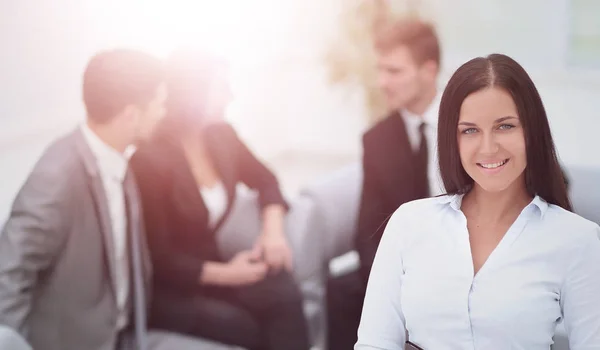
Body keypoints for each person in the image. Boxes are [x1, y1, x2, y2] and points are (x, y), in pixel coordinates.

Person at [356, 53, 600, 349]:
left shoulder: (578, 240)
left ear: (531, 131)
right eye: (470, 130)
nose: (488, 147)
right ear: (452, 139)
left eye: (505, 126)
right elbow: (375, 344)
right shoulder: (409, 223)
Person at [0, 49, 217, 350]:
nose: (163, 113)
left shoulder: (118, 162)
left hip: (127, 337)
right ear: (131, 114)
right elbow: (8, 272)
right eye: (159, 104)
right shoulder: (58, 174)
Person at [130, 50, 310, 350]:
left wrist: (273, 233)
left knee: (283, 291)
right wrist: (229, 275)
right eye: (222, 88)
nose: (231, 96)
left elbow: (266, 180)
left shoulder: (221, 136)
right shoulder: (149, 160)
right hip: (172, 290)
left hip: (215, 268)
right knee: (242, 327)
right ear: (193, 94)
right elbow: (159, 258)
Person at [327, 18, 443, 350]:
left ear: (428, 70)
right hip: (405, 268)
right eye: (380, 70)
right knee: (341, 289)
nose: (382, 82)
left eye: (394, 71)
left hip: (469, 260)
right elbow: (367, 229)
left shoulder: (472, 122)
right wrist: (389, 287)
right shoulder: (377, 139)